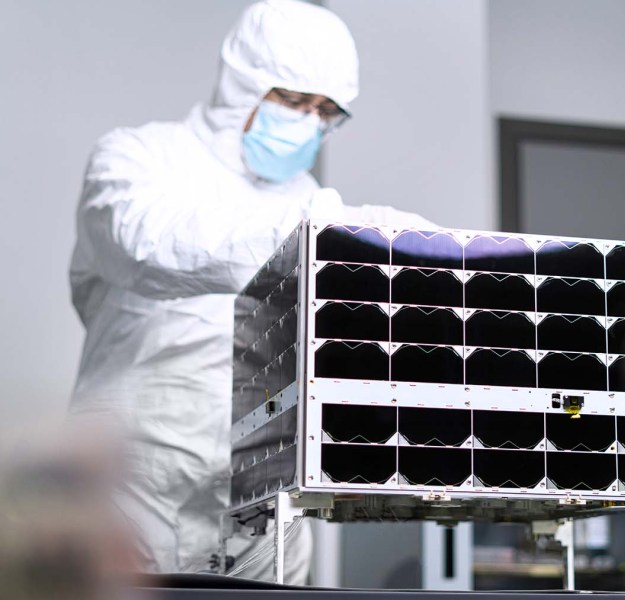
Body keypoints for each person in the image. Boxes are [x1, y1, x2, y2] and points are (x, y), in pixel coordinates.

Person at [69, 0, 433, 583]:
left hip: (265, 497)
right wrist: (315, 232)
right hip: (132, 481)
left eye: (327, 111)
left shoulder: (309, 195)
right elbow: (148, 244)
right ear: (242, 83)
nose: (310, 122)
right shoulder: (138, 158)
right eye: (293, 100)